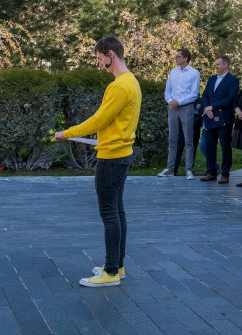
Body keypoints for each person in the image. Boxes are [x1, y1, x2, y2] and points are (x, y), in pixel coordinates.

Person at [55, 35, 141, 288]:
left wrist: (66, 133)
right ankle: (117, 266)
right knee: (117, 211)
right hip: (121, 155)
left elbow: (98, 120)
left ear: (110, 55)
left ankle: (111, 272)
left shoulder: (119, 86)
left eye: (100, 58)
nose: (99, 63)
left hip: (112, 158)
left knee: (109, 214)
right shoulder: (131, 81)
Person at [159, 48, 200, 180]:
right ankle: (170, 168)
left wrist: (179, 102)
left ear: (185, 58)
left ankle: (189, 169)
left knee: (188, 140)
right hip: (172, 108)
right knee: (172, 139)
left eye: (178, 56)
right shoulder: (173, 72)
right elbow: (167, 90)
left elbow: (194, 94)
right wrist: (170, 101)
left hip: (186, 108)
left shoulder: (194, 73)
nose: (175, 58)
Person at [200, 54, 239, 183]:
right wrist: (207, 109)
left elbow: (231, 98)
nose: (216, 66)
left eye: (218, 64)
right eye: (215, 64)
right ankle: (211, 171)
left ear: (225, 65)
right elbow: (204, 95)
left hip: (225, 118)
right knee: (209, 145)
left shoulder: (233, 80)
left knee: (225, 146)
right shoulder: (211, 79)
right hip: (210, 116)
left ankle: (225, 173)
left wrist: (213, 107)